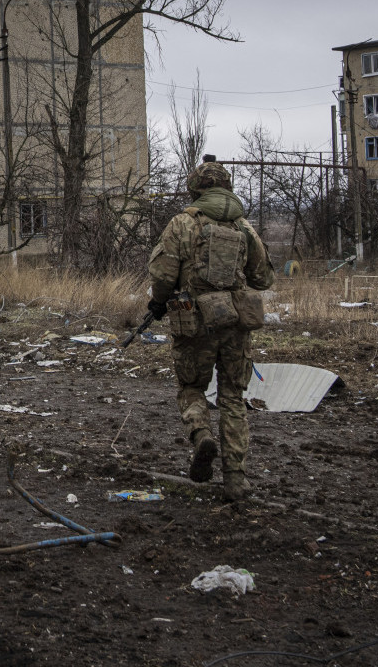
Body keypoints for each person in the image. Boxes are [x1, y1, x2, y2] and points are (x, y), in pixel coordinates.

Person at [147, 156, 274, 501]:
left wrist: (158, 302)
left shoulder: (182, 223)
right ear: (227, 188)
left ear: (195, 189)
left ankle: (202, 434)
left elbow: (163, 275)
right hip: (235, 324)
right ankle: (236, 479)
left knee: (191, 387)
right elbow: (263, 278)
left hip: (194, 322)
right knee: (232, 397)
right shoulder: (243, 227)